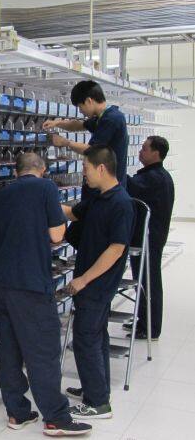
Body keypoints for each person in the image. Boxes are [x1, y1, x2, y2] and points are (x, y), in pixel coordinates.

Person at [0, 152, 92, 436]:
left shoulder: (1, 196)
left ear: (16, 171)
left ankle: (17, 413)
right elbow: (57, 235)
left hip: (2, 283)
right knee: (43, 351)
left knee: (9, 351)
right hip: (31, 283)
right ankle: (56, 418)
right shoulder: (46, 187)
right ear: (43, 169)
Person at [61, 145, 134, 421]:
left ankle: (97, 404)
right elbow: (73, 214)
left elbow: (116, 249)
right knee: (97, 336)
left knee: (85, 338)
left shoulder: (121, 203)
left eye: (86, 168)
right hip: (92, 281)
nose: (84, 174)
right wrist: (40, 197)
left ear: (101, 168)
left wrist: (83, 279)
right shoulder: (99, 198)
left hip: (97, 283)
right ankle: (97, 389)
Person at [123, 135, 174, 340]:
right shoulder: (157, 175)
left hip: (149, 238)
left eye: (144, 148)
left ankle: (150, 328)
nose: (140, 151)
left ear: (156, 153)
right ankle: (144, 321)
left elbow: (131, 187)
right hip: (150, 237)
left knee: (149, 282)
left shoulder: (154, 178)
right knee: (144, 280)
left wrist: (113, 167)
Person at [44, 80, 128, 196]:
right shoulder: (103, 117)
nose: (80, 111)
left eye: (80, 106)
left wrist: (65, 142)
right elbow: (78, 125)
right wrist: (57, 123)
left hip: (108, 189)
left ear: (89, 101)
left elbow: (91, 150)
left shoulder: (111, 119)